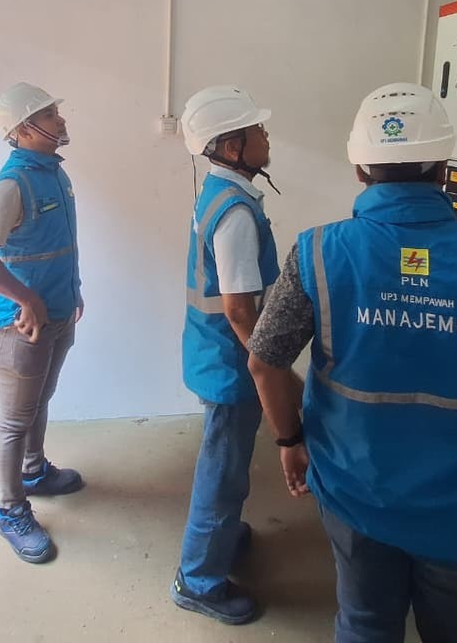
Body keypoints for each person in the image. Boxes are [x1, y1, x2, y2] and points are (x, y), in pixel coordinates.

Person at [247, 83, 457, 643]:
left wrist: (290, 440)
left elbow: (264, 362)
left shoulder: (317, 253)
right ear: (444, 167)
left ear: (359, 168)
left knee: (365, 623)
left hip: (355, 492)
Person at [170, 85, 280, 626]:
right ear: (232, 147)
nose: (266, 135)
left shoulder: (219, 189)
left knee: (228, 460)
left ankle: (222, 535)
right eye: (258, 130)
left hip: (214, 350)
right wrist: (267, 368)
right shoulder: (235, 212)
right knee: (223, 469)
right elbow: (238, 309)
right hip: (232, 361)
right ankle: (198, 580)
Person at [0, 82, 84, 565]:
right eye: (49, 114)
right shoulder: (11, 186)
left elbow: (58, 245)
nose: (60, 120)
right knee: (14, 421)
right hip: (19, 326)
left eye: (55, 112)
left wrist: (73, 291)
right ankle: (10, 509)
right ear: (24, 129)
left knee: (39, 402)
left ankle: (34, 471)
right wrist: (27, 298)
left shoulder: (54, 174)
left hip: (57, 313)